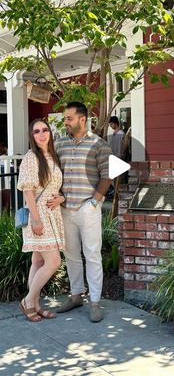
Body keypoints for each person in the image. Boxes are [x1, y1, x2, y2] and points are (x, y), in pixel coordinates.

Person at [55, 101, 112, 322]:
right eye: (65, 119)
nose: (66, 122)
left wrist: (95, 202)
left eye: (69, 118)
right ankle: (76, 295)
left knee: (92, 255)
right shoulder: (60, 144)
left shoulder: (99, 144)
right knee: (71, 255)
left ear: (82, 119)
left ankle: (95, 302)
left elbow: (107, 175)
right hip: (65, 209)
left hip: (88, 208)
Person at [17, 119, 65, 322]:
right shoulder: (31, 157)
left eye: (45, 130)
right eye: (37, 131)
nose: (42, 134)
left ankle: (35, 305)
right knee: (54, 261)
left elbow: (55, 187)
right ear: (32, 136)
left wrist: (61, 198)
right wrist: (36, 220)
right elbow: (28, 191)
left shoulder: (52, 156)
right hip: (39, 215)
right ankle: (28, 301)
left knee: (37, 260)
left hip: (53, 214)